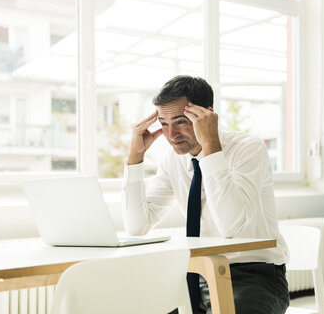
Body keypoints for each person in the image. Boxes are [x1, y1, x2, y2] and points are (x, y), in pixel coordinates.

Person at [121, 75, 289, 314]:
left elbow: (231, 226)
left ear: (207, 115)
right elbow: (137, 227)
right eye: (164, 123)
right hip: (195, 273)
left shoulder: (248, 149)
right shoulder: (173, 161)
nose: (171, 135)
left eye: (180, 122)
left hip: (253, 274)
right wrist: (135, 158)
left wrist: (211, 147)